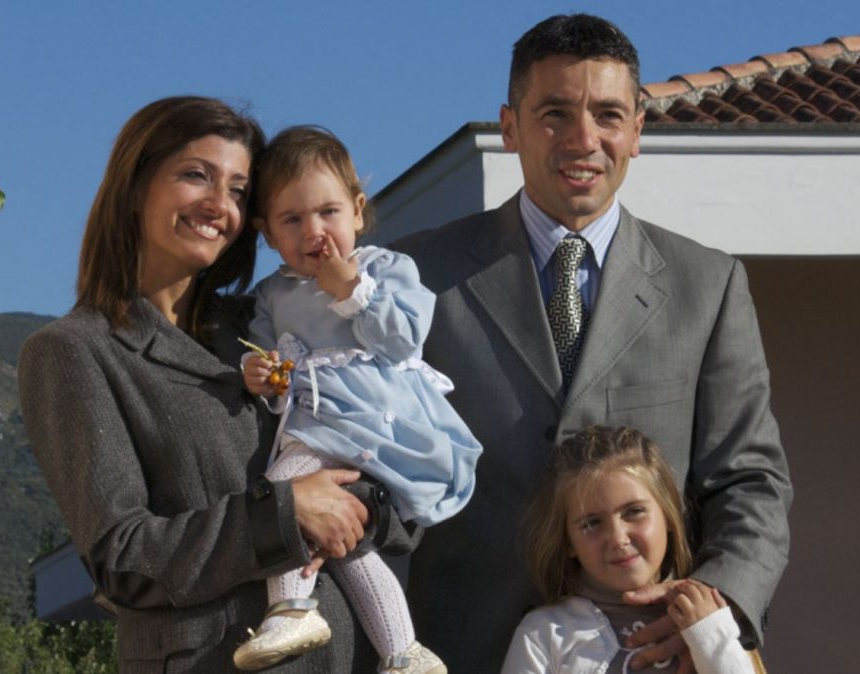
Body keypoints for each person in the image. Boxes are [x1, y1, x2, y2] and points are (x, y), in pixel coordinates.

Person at [394, 13, 792, 673]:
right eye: (555, 113)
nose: (584, 139)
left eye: (608, 115)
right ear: (510, 127)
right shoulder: (414, 279)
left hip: (653, 652)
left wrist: (716, 611)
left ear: (637, 130)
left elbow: (750, 481)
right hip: (454, 653)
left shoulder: (708, 285)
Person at [18, 97, 418, 674]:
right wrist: (285, 515)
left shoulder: (267, 325)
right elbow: (123, 560)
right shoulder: (75, 351)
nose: (218, 204)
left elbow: (387, 464)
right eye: (195, 175)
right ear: (134, 186)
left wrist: (361, 506)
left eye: (237, 190)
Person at [233, 126, 480, 674]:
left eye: (328, 212)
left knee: (282, 494)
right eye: (292, 220)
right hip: (317, 424)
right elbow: (270, 363)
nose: (314, 231)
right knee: (349, 547)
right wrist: (262, 376)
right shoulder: (273, 295)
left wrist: (352, 290)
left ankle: (290, 608)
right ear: (266, 232)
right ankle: (404, 652)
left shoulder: (385, 269)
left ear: (358, 211)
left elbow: (404, 339)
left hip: (376, 427)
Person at [501, 426, 755, 673]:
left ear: (669, 514)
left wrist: (711, 635)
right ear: (567, 542)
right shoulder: (544, 633)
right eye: (591, 523)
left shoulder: (707, 619)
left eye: (634, 512)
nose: (617, 538)